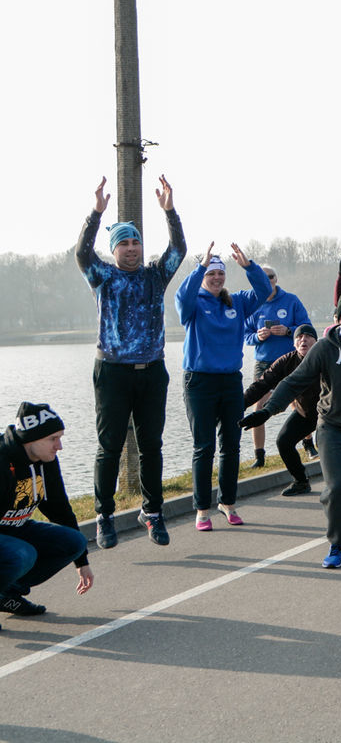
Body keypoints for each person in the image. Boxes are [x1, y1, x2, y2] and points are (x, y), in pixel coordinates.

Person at [76, 175, 186, 549]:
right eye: (124, 242)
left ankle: (152, 513)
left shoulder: (156, 275)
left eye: (136, 241)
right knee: (109, 447)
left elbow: (179, 249)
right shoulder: (103, 276)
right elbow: (81, 255)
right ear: (114, 249)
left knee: (151, 444)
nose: (132, 248)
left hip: (152, 371)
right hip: (112, 371)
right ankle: (104, 515)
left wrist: (170, 212)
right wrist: (96, 213)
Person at [241, 290, 341, 568]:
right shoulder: (324, 348)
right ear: (339, 318)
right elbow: (293, 382)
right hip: (332, 429)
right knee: (336, 489)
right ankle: (337, 543)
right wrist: (267, 410)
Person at [176, 242, 271, 532]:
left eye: (220, 273)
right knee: (204, 446)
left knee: (231, 443)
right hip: (199, 381)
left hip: (230, 380)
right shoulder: (194, 304)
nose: (216, 278)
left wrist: (248, 267)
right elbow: (182, 296)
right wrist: (200, 266)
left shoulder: (237, 302)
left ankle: (227, 503)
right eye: (211, 273)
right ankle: (202, 510)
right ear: (204, 275)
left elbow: (264, 291)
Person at [0, 404, 93, 626]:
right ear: (31, 439)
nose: (59, 446)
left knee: (74, 542)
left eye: (60, 437)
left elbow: (60, 508)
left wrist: (82, 562)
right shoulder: (3, 460)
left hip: (15, 527)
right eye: (53, 439)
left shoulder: (45, 461)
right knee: (22, 554)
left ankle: (6, 594)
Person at [243, 265, 311, 468]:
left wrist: (289, 331)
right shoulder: (252, 304)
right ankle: (259, 456)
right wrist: (258, 336)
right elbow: (246, 335)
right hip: (264, 362)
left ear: (276, 278)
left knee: (300, 403)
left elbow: (306, 327)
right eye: (263, 278)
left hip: (290, 359)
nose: (267, 281)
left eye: (271, 277)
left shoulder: (291, 300)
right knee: (259, 405)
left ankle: (308, 444)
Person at [243, 323, 321, 495]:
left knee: (329, 445)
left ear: (316, 341)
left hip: (329, 414)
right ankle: (301, 481)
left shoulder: (325, 357)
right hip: (305, 413)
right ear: (293, 343)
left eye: (308, 336)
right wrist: (239, 405)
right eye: (299, 337)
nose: (303, 340)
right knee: (283, 441)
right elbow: (262, 384)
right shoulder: (286, 361)